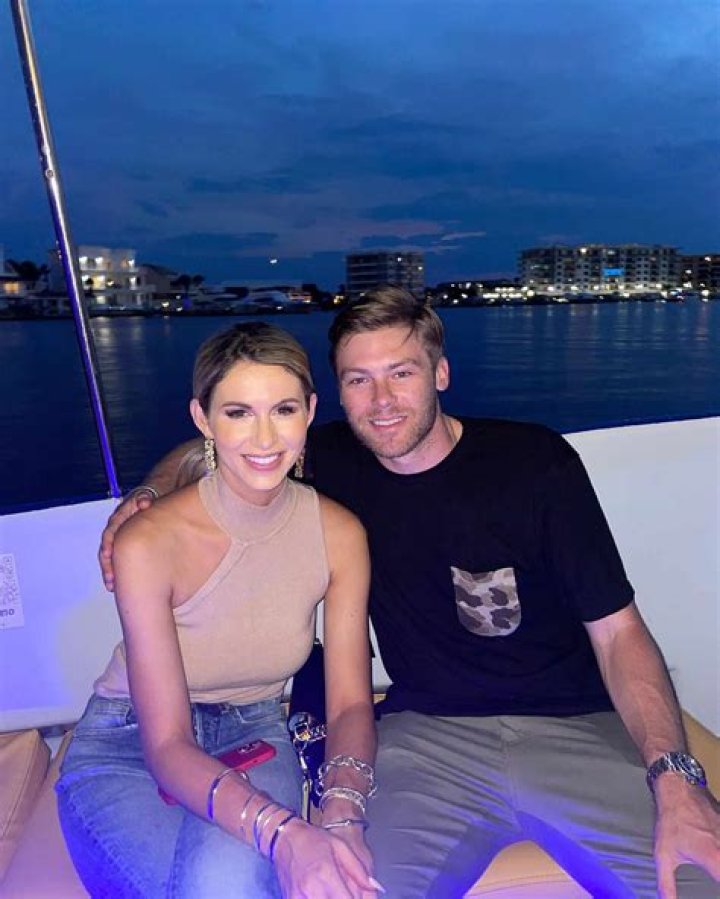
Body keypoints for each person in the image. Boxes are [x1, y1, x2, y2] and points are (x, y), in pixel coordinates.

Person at [99, 289, 720, 899]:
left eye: (401, 373)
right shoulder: (331, 462)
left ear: (440, 373)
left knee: (694, 882)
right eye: (359, 380)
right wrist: (148, 493)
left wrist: (676, 776)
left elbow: (619, 634)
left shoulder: (535, 464)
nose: (382, 401)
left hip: (577, 731)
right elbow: (221, 445)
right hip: (428, 743)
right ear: (336, 395)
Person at [59, 322, 381, 899]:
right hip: (129, 740)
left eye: (283, 409)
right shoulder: (148, 542)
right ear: (203, 419)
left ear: (310, 411)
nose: (265, 437)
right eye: (238, 413)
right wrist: (286, 834)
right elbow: (167, 746)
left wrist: (342, 813)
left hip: (253, 731)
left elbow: (351, 703)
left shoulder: (340, 535)